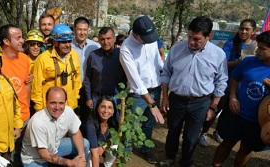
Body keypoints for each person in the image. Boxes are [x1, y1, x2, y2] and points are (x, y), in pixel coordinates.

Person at [161, 16, 228, 167]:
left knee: (191, 136)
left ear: (208, 35)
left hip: (201, 102)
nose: (191, 42)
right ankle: (170, 157)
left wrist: (213, 106)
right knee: (173, 131)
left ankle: (185, 161)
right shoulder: (176, 49)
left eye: (197, 39)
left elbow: (221, 82)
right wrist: (165, 96)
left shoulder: (218, 55)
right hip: (176, 99)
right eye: (189, 37)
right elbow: (166, 73)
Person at [212, 30, 270, 167]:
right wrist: (232, 97)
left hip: (257, 121)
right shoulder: (249, 62)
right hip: (237, 114)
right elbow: (235, 79)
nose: (257, 51)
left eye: (262, 49)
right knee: (226, 143)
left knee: (246, 149)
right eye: (258, 46)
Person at [199, 19, 257, 147]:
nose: (243, 31)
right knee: (215, 108)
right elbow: (222, 64)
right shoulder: (231, 44)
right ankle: (203, 132)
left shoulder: (256, 46)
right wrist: (240, 62)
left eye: (247, 29)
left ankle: (218, 131)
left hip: (242, 88)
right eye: (242, 28)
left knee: (227, 112)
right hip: (226, 84)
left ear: (254, 31)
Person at [119, 15, 165, 164]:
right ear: (136, 34)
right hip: (138, 95)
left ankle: (146, 148)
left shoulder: (150, 40)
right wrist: (152, 104)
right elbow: (136, 82)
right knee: (132, 123)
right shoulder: (126, 49)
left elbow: (158, 62)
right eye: (145, 38)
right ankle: (125, 151)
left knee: (150, 123)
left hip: (155, 89)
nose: (149, 41)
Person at [22, 86, 89, 167]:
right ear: (46, 102)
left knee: (85, 143)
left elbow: (76, 133)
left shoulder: (68, 111)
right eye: (53, 103)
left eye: (61, 103)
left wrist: (81, 158)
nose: (57, 107)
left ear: (65, 102)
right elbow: (43, 154)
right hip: (35, 158)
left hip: (54, 147)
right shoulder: (37, 122)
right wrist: (71, 163)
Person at [0, 24, 31, 166]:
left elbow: (26, 85)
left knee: (22, 155)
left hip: (24, 117)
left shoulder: (24, 59)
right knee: (7, 158)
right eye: (18, 38)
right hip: (5, 120)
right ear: (6, 41)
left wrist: (27, 109)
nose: (22, 41)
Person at [31, 24, 81, 111]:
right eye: (63, 42)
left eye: (69, 41)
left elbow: (77, 79)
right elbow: (36, 87)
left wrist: (76, 97)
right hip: (50, 108)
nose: (67, 45)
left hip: (70, 105)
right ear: (54, 42)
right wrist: (39, 108)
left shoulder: (74, 55)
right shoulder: (43, 59)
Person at [83, 27, 127, 112]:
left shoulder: (121, 55)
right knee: (97, 123)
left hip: (116, 98)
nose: (106, 42)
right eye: (102, 39)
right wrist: (88, 98)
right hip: (97, 98)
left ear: (114, 39)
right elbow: (88, 78)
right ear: (99, 40)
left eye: (108, 38)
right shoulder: (93, 56)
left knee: (116, 123)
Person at [71, 17, 100, 117]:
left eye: (85, 30)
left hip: (89, 89)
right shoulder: (67, 46)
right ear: (74, 29)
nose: (82, 32)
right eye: (79, 29)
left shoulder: (95, 46)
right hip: (72, 87)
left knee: (88, 117)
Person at [81, 96, 118, 167]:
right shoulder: (90, 124)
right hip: (87, 148)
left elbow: (116, 137)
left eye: (110, 107)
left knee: (114, 147)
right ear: (97, 108)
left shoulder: (113, 121)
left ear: (113, 111)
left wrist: (104, 146)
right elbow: (95, 153)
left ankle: (106, 165)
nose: (106, 111)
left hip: (100, 146)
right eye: (103, 107)